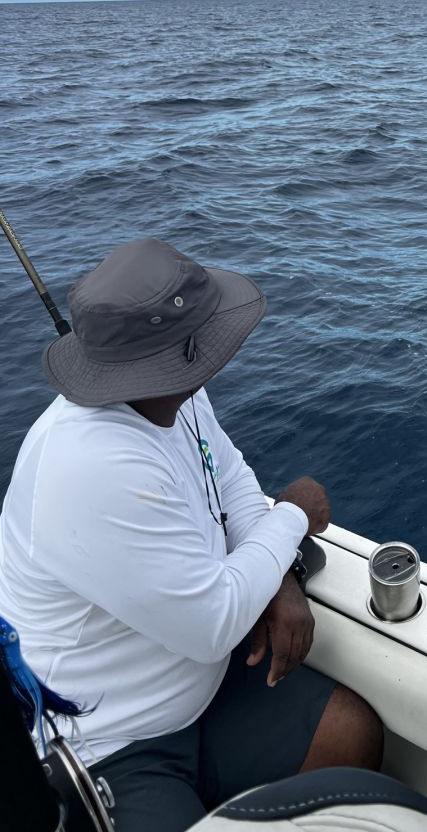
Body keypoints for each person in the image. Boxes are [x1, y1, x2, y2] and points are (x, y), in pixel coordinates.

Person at [0, 237, 382, 832]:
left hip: (200, 687)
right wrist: (292, 517)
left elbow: (229, 476)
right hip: (111, 742)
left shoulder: (171, 397)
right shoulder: (91, 465)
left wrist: (281, 576)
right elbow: (213, 626)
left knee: (352, 735)